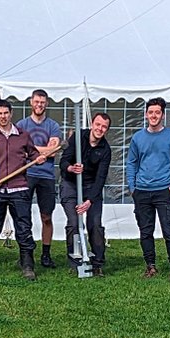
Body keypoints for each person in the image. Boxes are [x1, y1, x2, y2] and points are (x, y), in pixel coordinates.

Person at [0, 99, 46, 280]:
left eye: (5, 113)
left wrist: (39, 158)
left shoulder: (23, 135)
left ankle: (28, 267)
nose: (3, 116)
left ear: (11, 113)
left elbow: (33, 155)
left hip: (20, 190)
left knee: (23, 229)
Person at [126, 97, 170, 282]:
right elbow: (131, 163)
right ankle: (150, 266)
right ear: (146, 114)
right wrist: (132, 187)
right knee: (145, 231)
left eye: (157, 112)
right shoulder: (138, 138)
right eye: (151, 112)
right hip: (142, 191)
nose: (154, 116)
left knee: (169, 231)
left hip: (164, 191)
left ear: (163, 115)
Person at [15, 89, 63, 268]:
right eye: (36, 102)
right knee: (23, 216)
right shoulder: (21, 125)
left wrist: (31, 148)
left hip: (46, 176)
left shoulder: (53, 126)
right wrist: (42, 149)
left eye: (42, 102)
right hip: (25, 175)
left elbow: (53, 151)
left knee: (46, 217)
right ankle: (26, 254)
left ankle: (46, 254)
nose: (39, 105)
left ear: (47, 104)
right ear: (31, 102)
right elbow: (19, 150)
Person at [60, 112, 112, 273]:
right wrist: (71, 168)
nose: (100, 128)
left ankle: (97, 263)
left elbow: (100, 178)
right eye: (98, 124)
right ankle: (75, 262)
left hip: (91, 188)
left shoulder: (106, 150)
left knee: (95, 224)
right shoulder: (77, 137)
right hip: (71, 184)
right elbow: (63, 161)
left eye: (104, 127)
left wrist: (89, 201)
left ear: (106, 130)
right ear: (92, 124)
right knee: (74, 223)